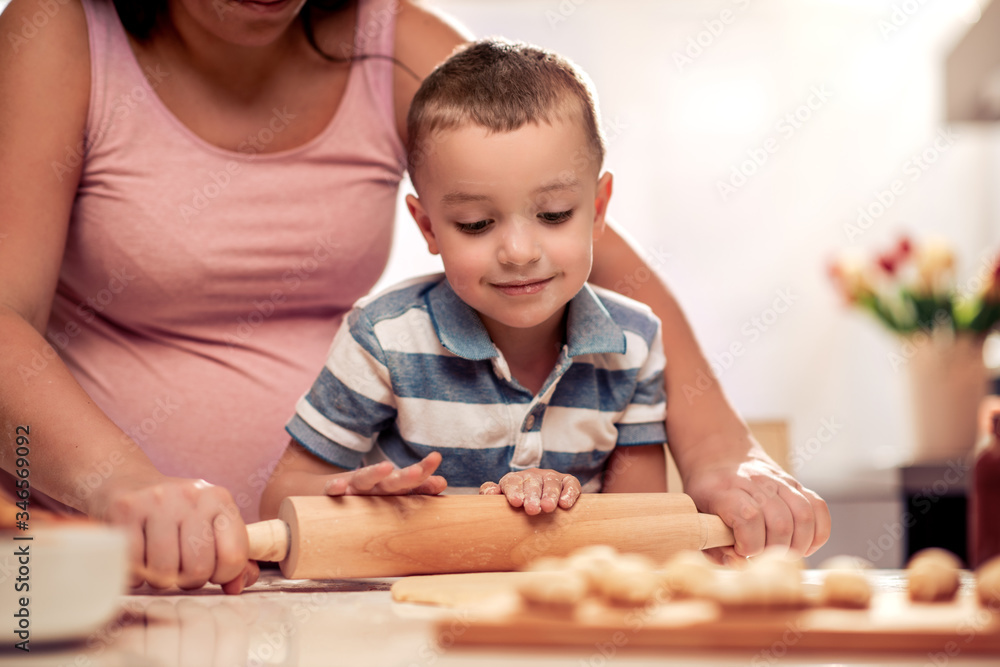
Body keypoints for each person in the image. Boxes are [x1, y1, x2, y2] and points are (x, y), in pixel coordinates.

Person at [0, 0, 829, 595]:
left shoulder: (397, 42)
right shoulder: (59, 30)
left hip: (332, 581)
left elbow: (592, 255)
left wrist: (726, 452)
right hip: (100, 568)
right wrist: (120, 483)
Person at [261, 38, 672, 518]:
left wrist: (559, 503)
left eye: (555, 214)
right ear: (428, 227)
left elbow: (646, 527)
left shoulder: (635, 342)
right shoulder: (383, 336)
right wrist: (358, 499)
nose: (519, 253)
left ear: (598, 209)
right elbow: (277, 500)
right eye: (476, 224)